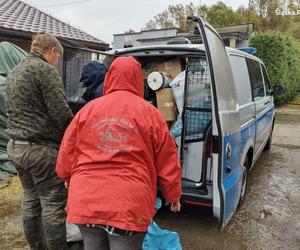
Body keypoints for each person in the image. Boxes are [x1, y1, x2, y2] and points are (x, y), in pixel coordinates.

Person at [56, 56, 182, 250]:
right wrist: (173, 195)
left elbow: (67, 150)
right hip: (128, 206)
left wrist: (66, 175)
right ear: (138, 80)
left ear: (110, 77)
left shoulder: (87, 110)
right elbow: (168, 159)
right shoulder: (150, 114)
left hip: (86, 200)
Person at [5, 33, 73, 250]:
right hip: (41, 151)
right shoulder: (45, 71)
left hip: (15, 147)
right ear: (52, 51)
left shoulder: (14, 72)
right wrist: (74, 137)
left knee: (31, 201)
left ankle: (36, 247)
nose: (57, 62)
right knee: (53, 204)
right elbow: (60, 112)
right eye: (59, 57)